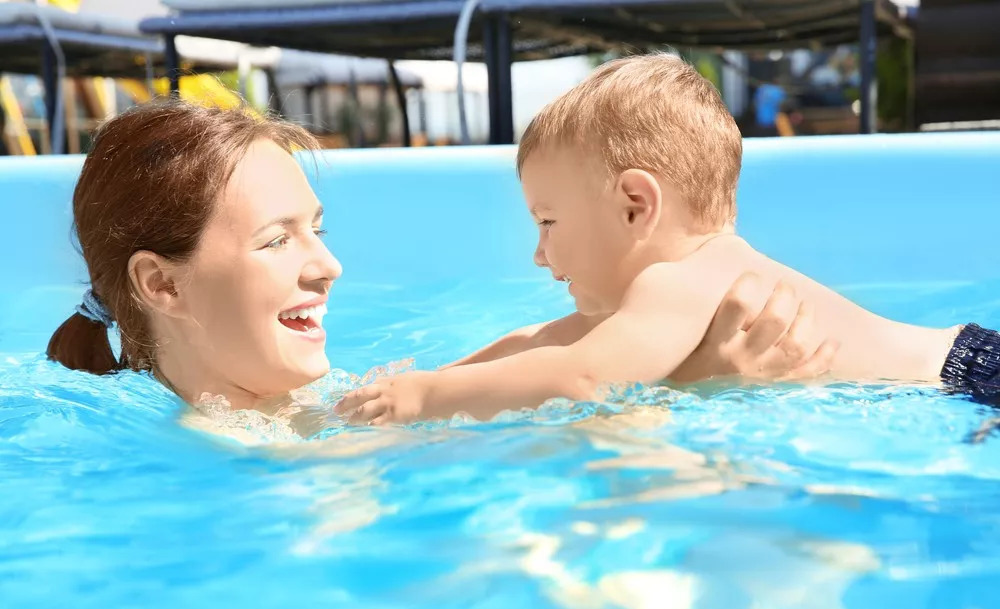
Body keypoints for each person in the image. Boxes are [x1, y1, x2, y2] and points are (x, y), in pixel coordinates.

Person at [46, 99, 833, 424]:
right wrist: (695, 386)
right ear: (160, 282)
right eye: (277, 239)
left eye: (317, 229)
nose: (329, 268)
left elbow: (529, 359)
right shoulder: (240, 479)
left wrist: (672, 363)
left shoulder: (311, 426)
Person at [336, 54, 1000, 425]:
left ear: (634, 205)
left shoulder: (675, 280)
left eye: (548, 222)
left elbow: (581, 375)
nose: (539, 253)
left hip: (968, 381)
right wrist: (445, 374)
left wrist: (419, 399)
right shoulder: (688, 282)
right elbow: (547, 341)